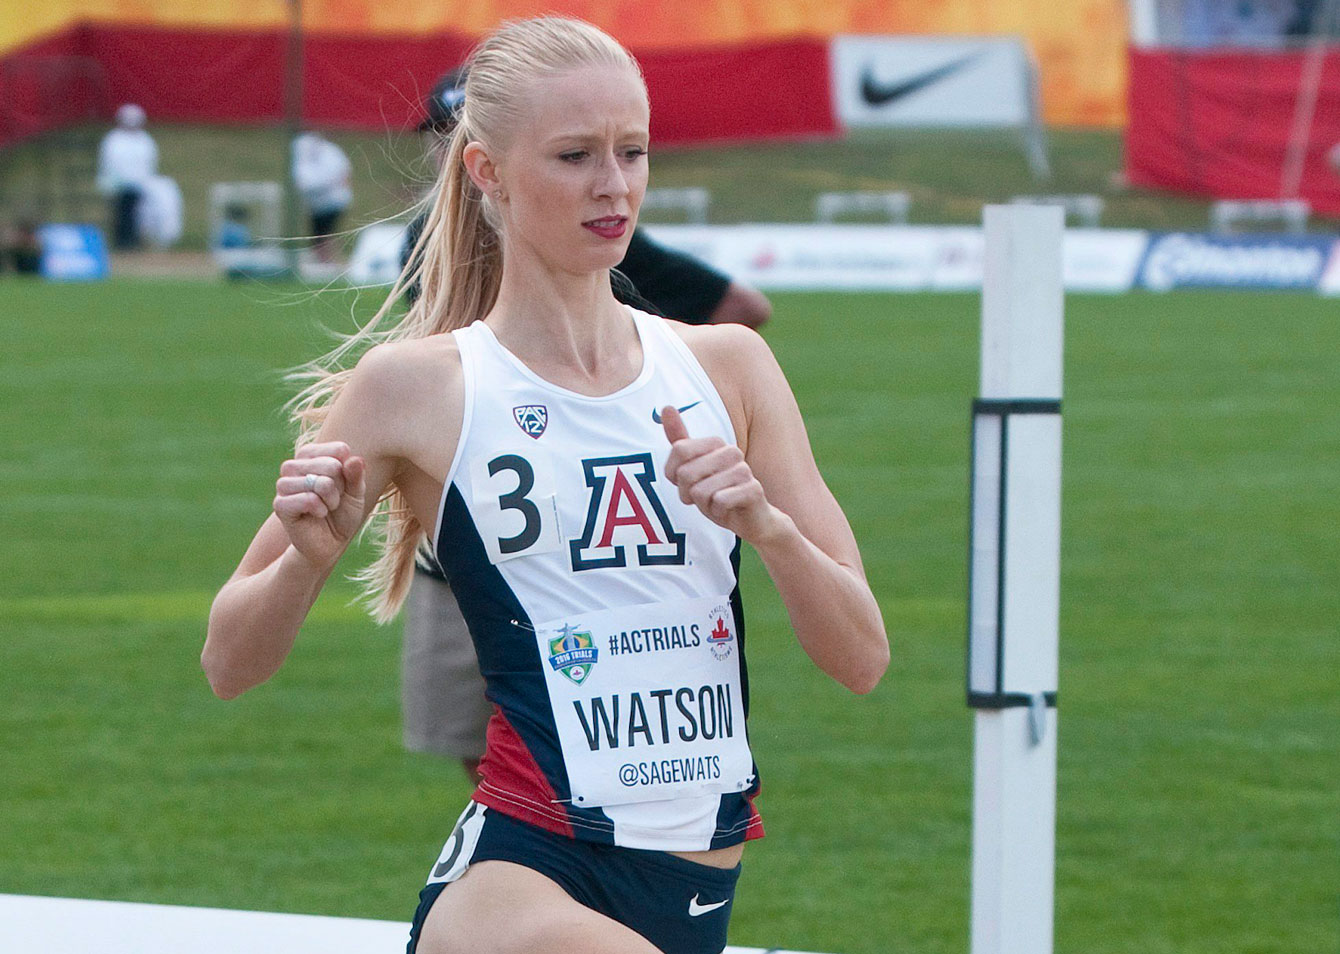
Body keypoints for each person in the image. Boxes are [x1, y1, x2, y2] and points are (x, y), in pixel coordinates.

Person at [203, 17, 887, 954]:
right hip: (521, 878)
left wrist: (766, 528)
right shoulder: (417, 387)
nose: (614, 184)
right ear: (487, 172)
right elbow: (229, 663)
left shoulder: (729, 369)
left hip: (693, 884)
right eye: (574, 156)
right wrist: (303, 567)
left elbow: (862, 658)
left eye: (633, 151)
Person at [402, 67, 773, 784]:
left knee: (603, 786)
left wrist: (641, 381)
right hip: (454, 562)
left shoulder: (602, 230)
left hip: (592, 567)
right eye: (439, 136)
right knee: (497, 776)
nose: (442, 153)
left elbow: (741, 304)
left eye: (630, 153)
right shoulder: (424, 242)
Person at [96, 103, 157, 251]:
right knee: (121, 214)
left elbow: (149, 164)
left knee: (135, 215)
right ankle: (122, 242)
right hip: (118, 185)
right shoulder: (113, 139)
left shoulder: (144, 140)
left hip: (138, 185)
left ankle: (133, 242)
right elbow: (108, 163)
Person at [291, 130, 352, 262]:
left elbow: (336, 175)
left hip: (332, 201)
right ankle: (324, 260)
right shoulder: (306, 153)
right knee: (319, 234)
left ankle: (329, 261)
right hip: (318, 203)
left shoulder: (330, 153)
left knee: (325, 234)